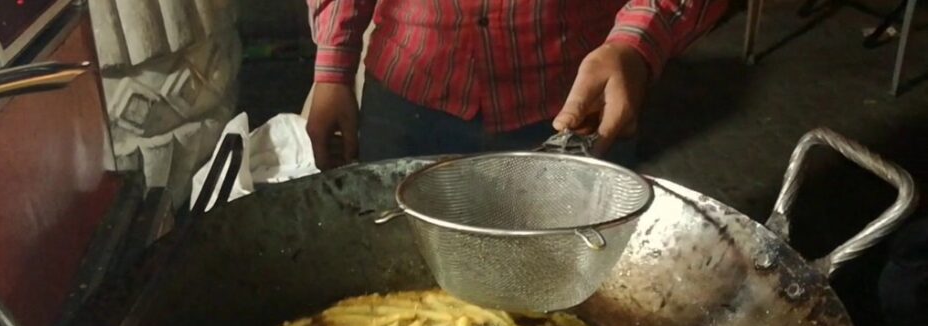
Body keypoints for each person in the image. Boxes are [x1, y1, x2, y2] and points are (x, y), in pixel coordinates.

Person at [305, 0, 728, 169]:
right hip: (409, 100)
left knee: (577, 309)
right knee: (394, 288)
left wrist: (640, 40)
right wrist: (333, 63)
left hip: (576, 103)